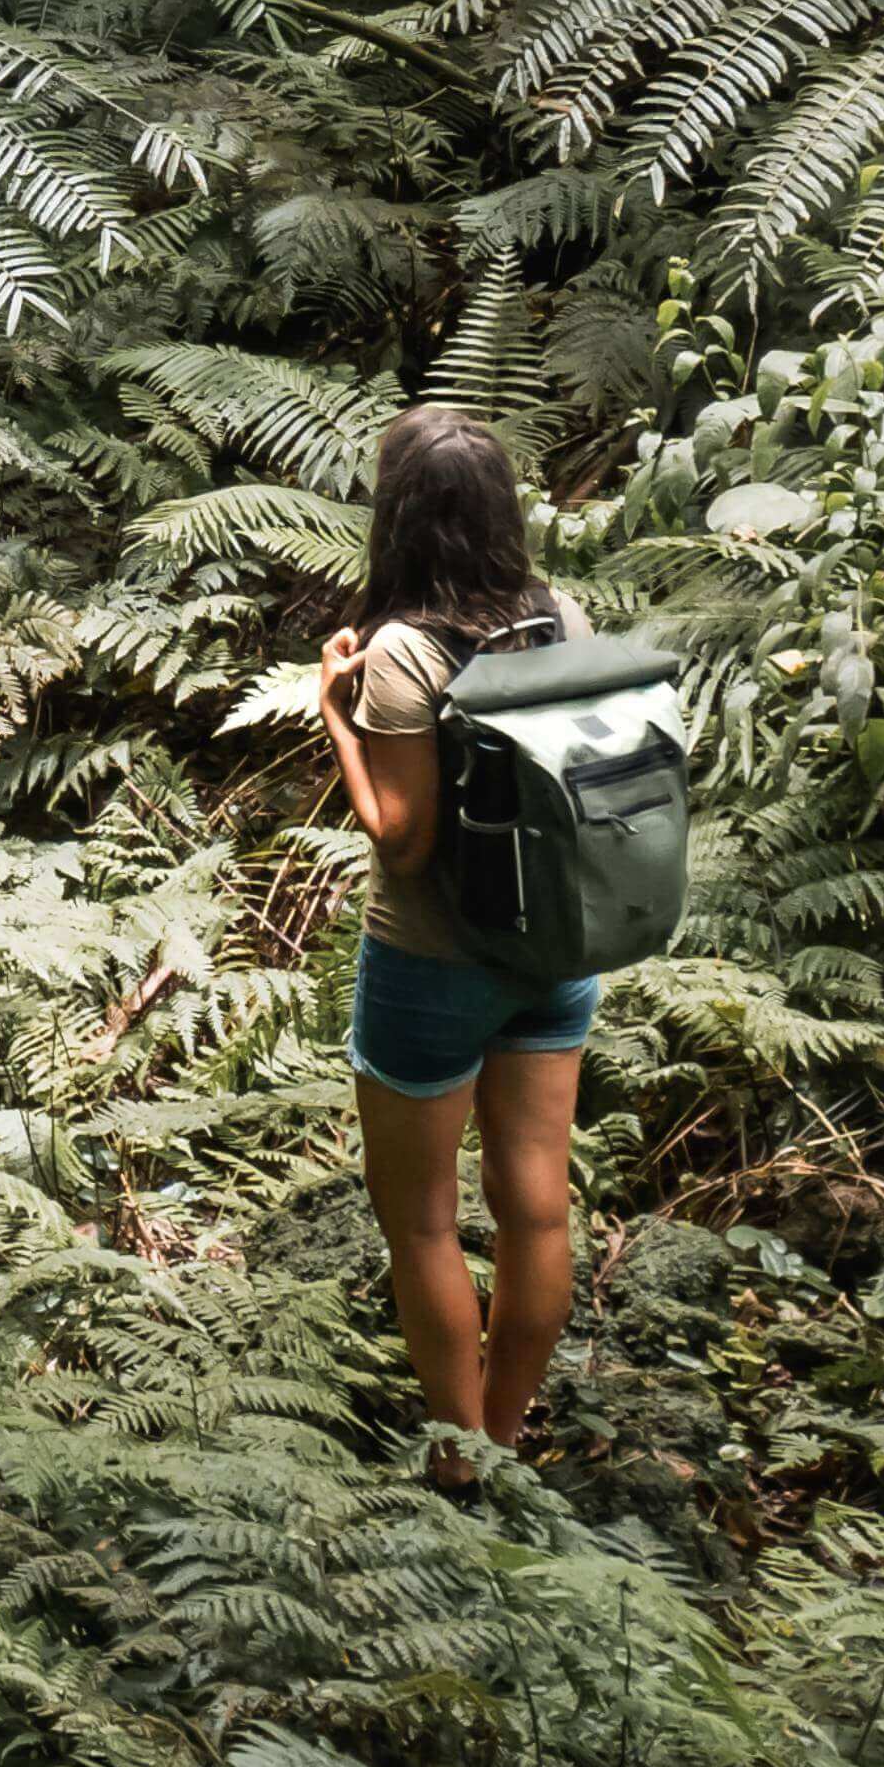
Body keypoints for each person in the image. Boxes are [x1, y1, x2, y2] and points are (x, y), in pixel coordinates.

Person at [312, 403, 594, 1483]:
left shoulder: (402, 653)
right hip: (555, 953)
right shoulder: (556, 616)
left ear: (398, 519)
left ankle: (457, 1457)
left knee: (425, 1223)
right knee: (534, 1207)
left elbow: (404, 834)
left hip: (432, 964)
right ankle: (505, 1435)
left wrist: (334, 710)